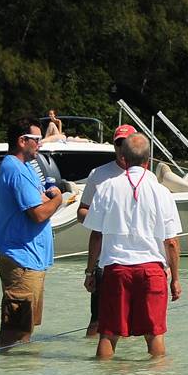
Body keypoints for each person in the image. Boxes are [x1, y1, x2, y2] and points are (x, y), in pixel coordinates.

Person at [83, 134, 182, 360]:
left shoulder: (107, 188)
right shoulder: (162, 192)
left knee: (108, 333)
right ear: (148, 161)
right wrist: (175, 279)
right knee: (154, 334)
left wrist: (90, 272)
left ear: (123, 158)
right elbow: (171, 242)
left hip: (116, 269)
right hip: (152, 270)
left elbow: (96, 235)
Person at [0, 117, 65, 349]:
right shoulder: (15, 169)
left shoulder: (27, 168)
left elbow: (40, 199)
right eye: (36, 139)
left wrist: (50, 197)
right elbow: (39, 214)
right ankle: (7, 368)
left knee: (26, 328)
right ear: (22, 141)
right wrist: (59, 199)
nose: (40, 144)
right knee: (14, 331)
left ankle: (22, 370)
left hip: (32, 260)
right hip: (21, 260)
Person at [77, 124, 139, 337]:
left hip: (137, 258)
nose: (122, 148)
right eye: (119, 143)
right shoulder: (99, 174)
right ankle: (91, 356)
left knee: (134, 323)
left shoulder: (146, 176)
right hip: (105, 257)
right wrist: (104, 219)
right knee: (97, 321)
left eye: (127, 144)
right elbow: (81, 211)